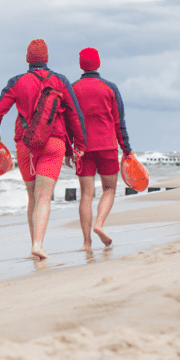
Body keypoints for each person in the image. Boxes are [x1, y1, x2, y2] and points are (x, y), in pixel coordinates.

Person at [0, 39, 86, 260]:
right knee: (44, 196)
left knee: (32, 197)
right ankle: (39, 244)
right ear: (47, 58)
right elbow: (74, 114)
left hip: (26, 145)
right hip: (54, 144)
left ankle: (35, 245)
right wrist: (79, 145)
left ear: (28, 59)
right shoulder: (60, 81)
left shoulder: (17, 82)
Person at [72, 47, 133, 250]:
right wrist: (127, 149)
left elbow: (69, 121)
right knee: (109, 189)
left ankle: (87, 243)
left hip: (83, 149)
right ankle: (99, 224)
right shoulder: (110, 88)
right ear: (97, 63)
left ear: (81, 64)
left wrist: (69, 148)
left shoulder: (73, 89)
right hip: (107, 147)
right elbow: (119, 122)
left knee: (86, 195)